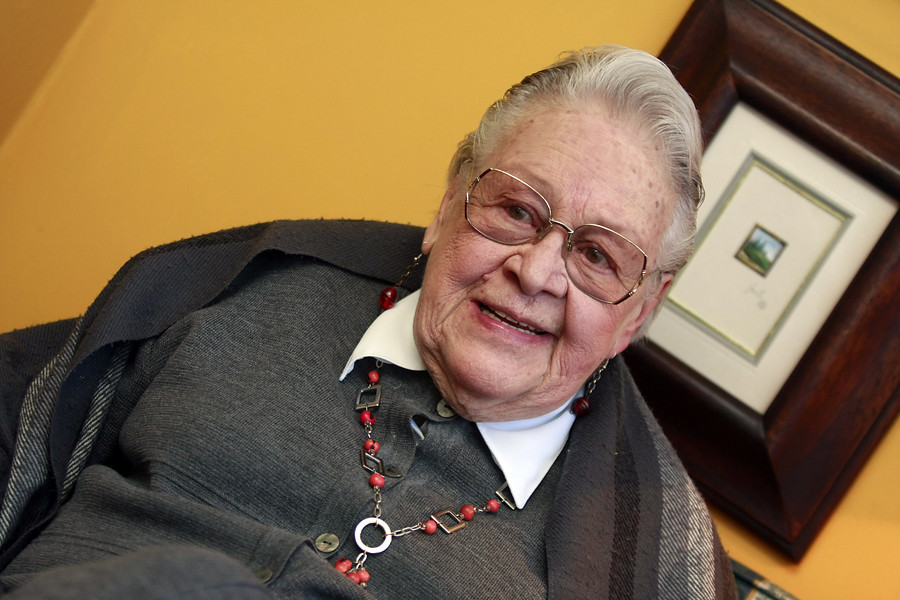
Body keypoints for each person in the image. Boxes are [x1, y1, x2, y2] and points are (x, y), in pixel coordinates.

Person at [0, 45, 737, 598]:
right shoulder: (244, 287)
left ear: (640, 312)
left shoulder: (659, 560)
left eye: (598, 257)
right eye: (516, 210)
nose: (537, 272)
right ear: (448, 204)